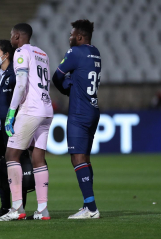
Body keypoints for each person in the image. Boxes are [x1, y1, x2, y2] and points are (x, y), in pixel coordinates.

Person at [0, 23, 53, 221]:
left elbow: (21, 84)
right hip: (47, 110)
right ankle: (42, 209)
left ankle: (17, 208)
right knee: (38, 158)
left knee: (11, 154)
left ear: (18, 36)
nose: (11, 39)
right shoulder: (43, 53)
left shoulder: (21, 52)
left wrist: (11, 113)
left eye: (12, 35)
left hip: (31, 110)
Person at [52, 19, 101, 219]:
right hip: (93, 109)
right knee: (85, 160)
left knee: (77, 158)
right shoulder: (96, 52)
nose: (70, 37)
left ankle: (91, 208)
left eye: (72, 34)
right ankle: (86, 205)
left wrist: (67, 87)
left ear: (79, 37)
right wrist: (73, 83)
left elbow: (56, 77)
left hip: (79, 112)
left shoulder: (75, 53)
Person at [0, 39, 35, 218]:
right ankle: (5, 206)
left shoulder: (14, 75)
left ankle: (18, 207)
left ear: (6, 55)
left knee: (15, 165)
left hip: (12, 128)